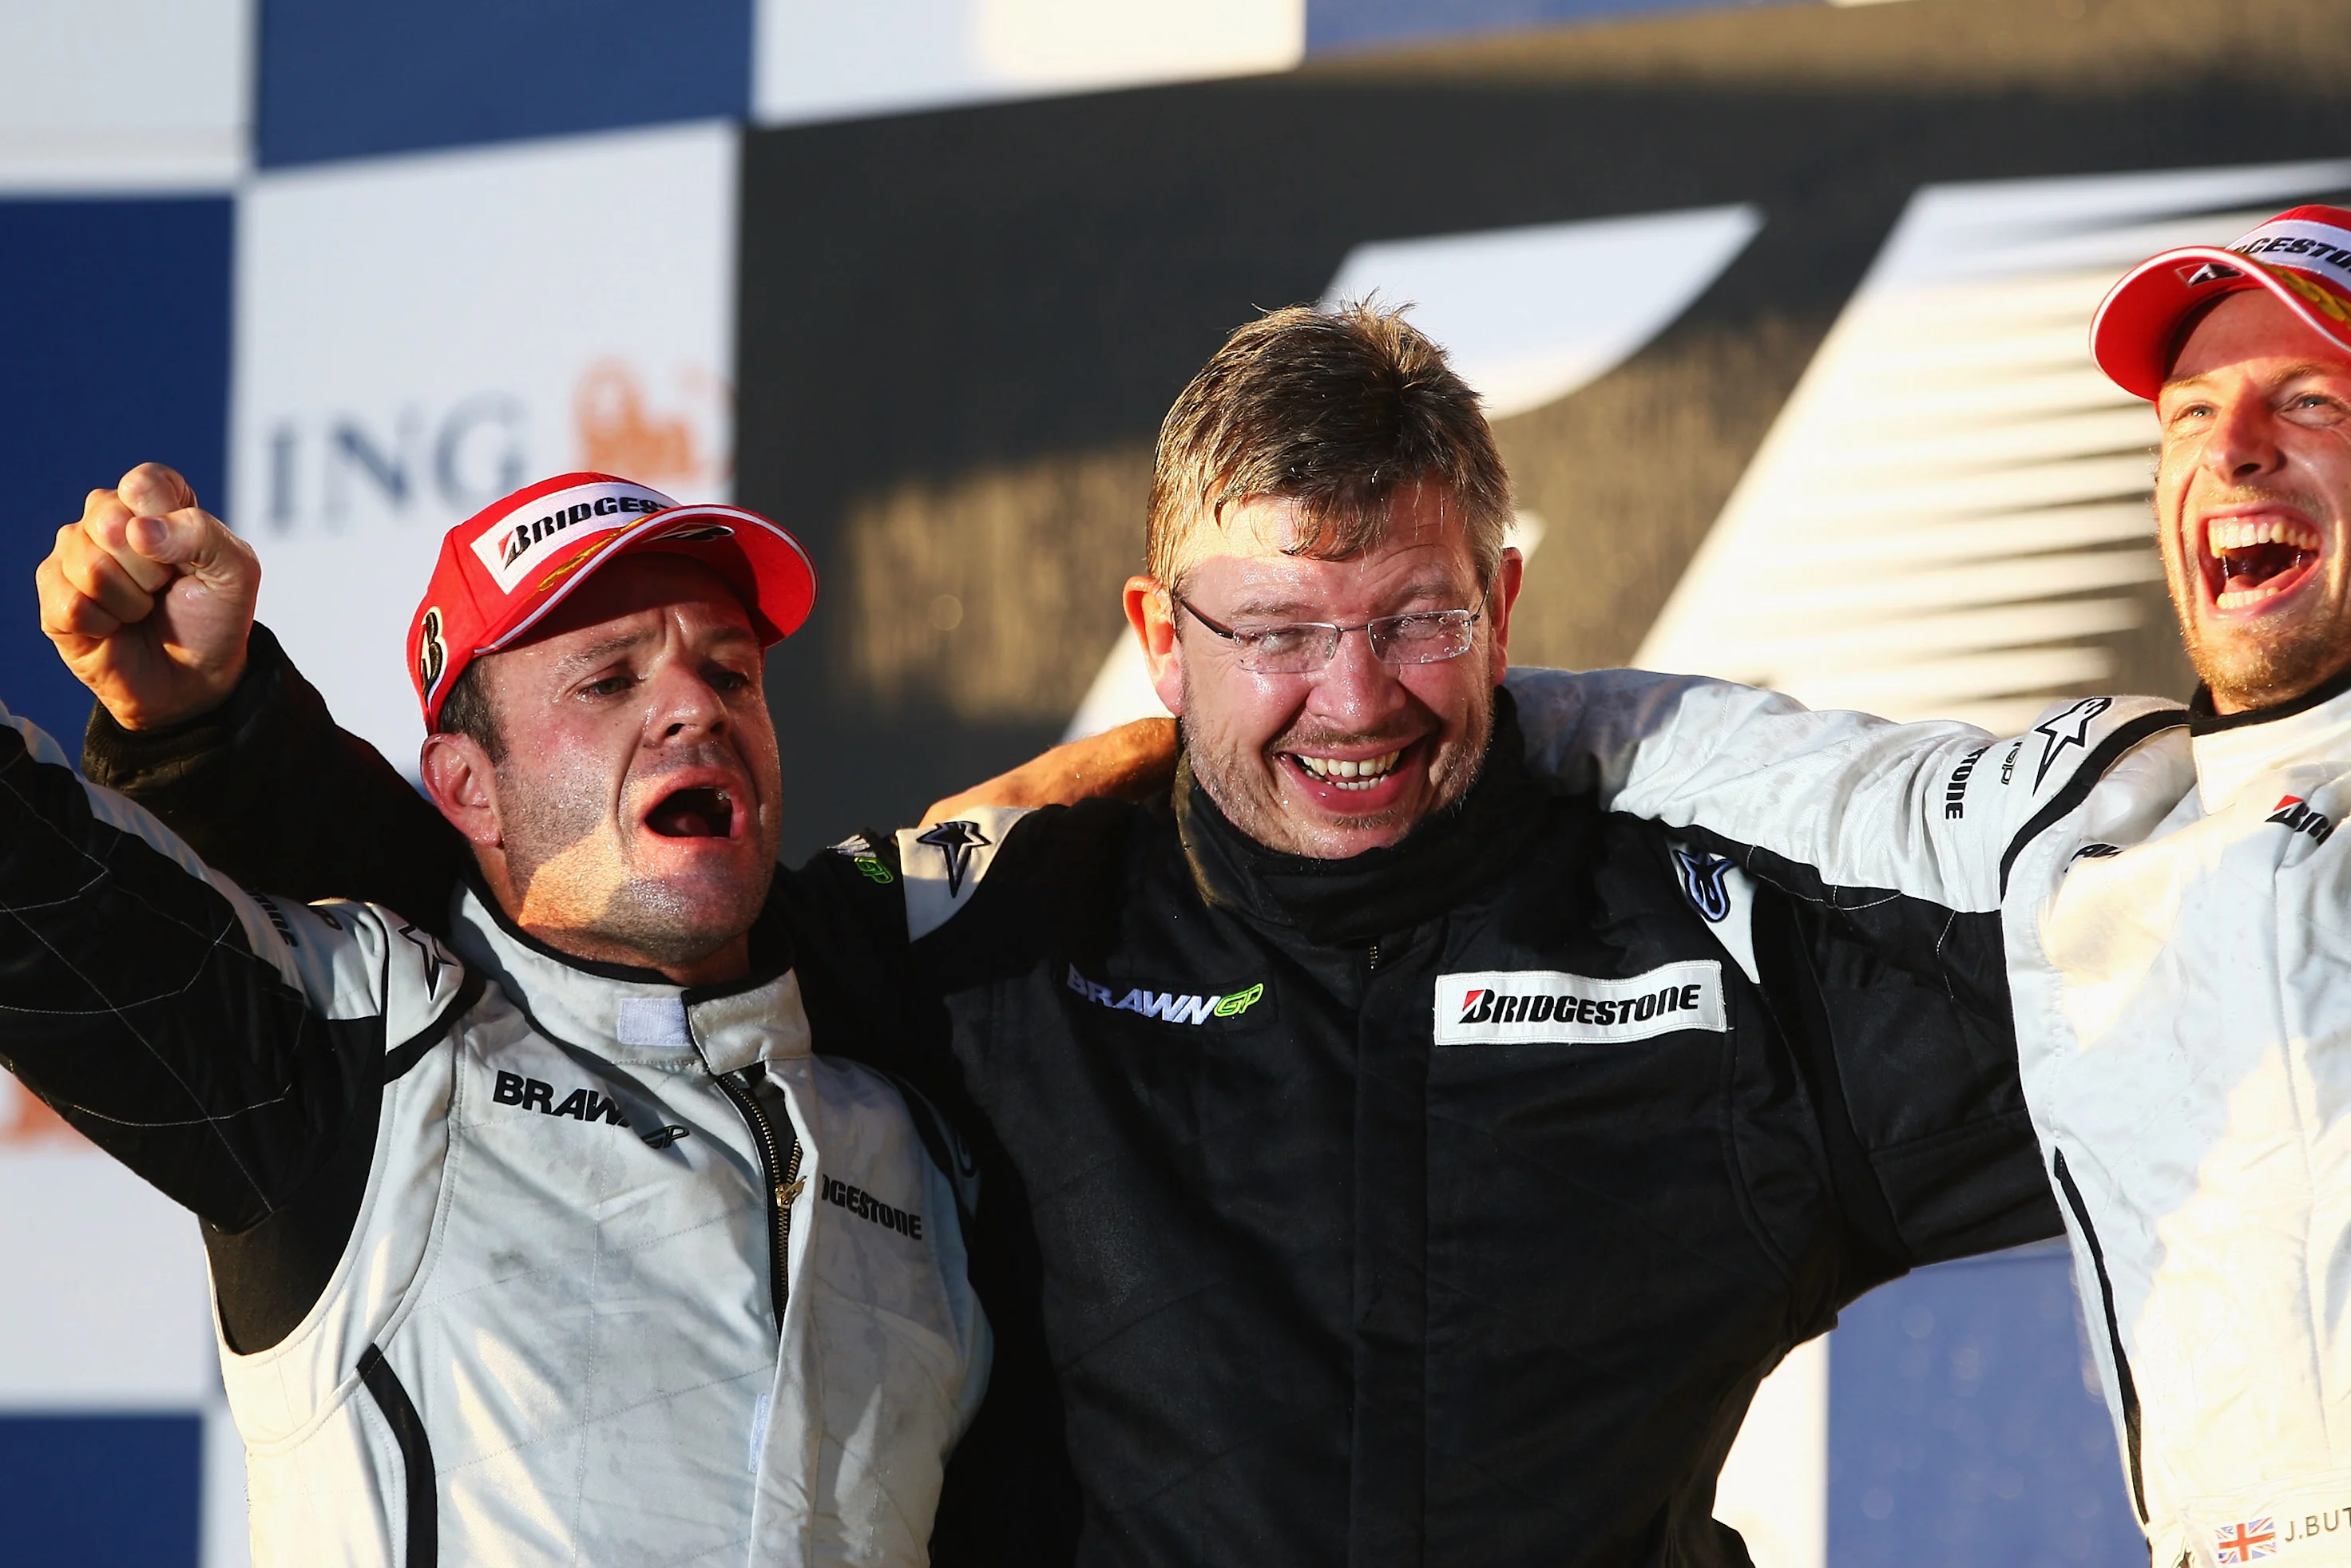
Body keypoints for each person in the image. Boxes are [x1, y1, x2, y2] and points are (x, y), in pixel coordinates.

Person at [55, 306, 2063, 1565]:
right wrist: (223, 744)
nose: (1351, 697)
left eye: (1416, 619)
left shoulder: (1715, 955)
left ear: (1507, 605)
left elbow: (2188, 1042)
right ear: (1160, 635)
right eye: (1274, 630)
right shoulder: (983, 940)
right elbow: (551, 929)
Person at [1487, 206, 2351, 1568]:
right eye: (2189, 414)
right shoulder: (2086, 819)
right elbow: (1725, 755)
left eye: (2310, 399)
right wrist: (1302, 710)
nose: (2235, 446)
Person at [14, 471, 989, 1565]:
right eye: (609, 681)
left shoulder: (919, 1147)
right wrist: (201, 735)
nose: (699, 707)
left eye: (731, 671)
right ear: (470, 788)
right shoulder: (368, 1054)